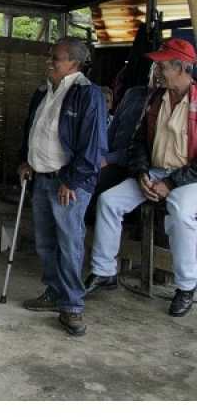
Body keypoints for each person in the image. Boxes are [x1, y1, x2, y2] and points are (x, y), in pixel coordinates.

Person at [86, 39, 197, 317]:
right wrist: (141, 173)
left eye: (163, 65)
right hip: (155, 172)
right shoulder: (155, 98)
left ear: (182, 67)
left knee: (180, 212)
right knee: (109, 201)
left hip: (190, 179)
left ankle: (186, 286)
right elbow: (138, 143)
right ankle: (104, 272)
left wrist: (170, 184)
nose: (157, 70)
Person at [18, 37, 107, 337]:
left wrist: (72, 180)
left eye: (55, 57)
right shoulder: (44, 91)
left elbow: (93, 147)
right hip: (41, 177)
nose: (49, 61)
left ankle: (72, 306)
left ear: (73, 63)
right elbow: (32, 130)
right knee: (45, 241)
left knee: (69, 243)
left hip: (67, 183)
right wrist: (26, 160)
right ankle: (54, 292)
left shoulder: (87, 94)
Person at [84, 85, 148, 226]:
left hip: (134, 165)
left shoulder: (160, 102)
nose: (156, 74)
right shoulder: (133, 93)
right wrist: (101, 154)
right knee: (87, 170)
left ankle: (90, 224)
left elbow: (143, 146)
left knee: (99, 180)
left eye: (160, 69)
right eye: (154, 69)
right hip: (113, 156)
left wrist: (109, 158)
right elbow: (114, 127)